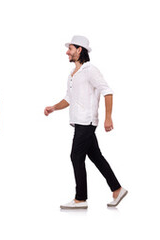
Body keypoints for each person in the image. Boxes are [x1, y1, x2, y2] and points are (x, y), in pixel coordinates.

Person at [44, 35, 128, 209]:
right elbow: (68, 99)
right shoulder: (72, 74)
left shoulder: (90, 70)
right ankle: (117, 189)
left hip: (87, 122)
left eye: (70, 49)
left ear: (79, 50)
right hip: (78, 122)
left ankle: (81, 198)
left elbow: (107, 91)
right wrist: (53, 107)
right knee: (96, 156)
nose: (67, 52)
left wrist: (108, 117)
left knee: (76, 156)